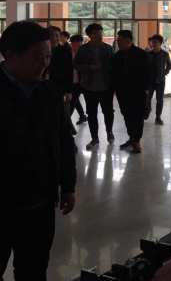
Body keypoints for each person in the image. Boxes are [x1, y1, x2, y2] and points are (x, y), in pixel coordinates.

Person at [0, 21, 76, 280]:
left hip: (40, 204)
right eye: (37, 58)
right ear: (10, 55)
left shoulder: (50, 92)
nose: (44, 64)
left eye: (48, 57)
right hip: (3, 204)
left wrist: (68, 186)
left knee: (33, 270)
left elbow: (64, 142)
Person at [74, 23, 116, 149]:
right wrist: (89, 67)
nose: (100, 35)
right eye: (96, 33)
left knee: (108, 111)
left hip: (106, 86)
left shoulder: (108, 48)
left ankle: (109, 132)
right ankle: (94, 138)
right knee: (92, 113)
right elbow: (76, 64)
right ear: (89, 35)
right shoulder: (82, 49)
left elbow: (114, 65)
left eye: (101, 32)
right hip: (89, 86)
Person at [111, 30, 150, 154]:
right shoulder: (118, 55)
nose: (118, 43)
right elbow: (114, 72)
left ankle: (136, 140)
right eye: (117, 41)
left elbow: (148, 72)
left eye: (120, 41)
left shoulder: (140, 54)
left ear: (128, 41)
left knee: (137, 115)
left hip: (137, 91)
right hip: (122, 91)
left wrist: (146, 88)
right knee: (126, 114)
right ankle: (131, 137)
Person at [146, 34, 171, 125]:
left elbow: (170, 65)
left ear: (160, 44)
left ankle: (158, 117)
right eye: (152, 42)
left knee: (159, 100)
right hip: (149, 81)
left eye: (155, 42)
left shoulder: (165, 54)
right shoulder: (148, 54)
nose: (153, 44)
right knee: (147, 98)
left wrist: (164, 72)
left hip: (160, 80)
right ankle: (147, 110)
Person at [69, 35, 88, 125]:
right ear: (73, 43)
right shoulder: (67, 54)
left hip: (78, 83)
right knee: (75, 100)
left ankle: (66, 121)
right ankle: (82, 116)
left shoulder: (82, 55)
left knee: (72, 102)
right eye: (79, 43)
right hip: (69, 82)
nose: (81, 45)